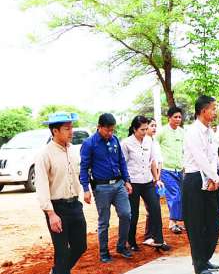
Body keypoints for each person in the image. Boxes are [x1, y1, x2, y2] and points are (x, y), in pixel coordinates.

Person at [34, 112, 87, 274]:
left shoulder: (73, 151)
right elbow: (41, 187)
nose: (71, 132)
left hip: (74, 204)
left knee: (80, 245)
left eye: (71, 127)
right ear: (55, 131)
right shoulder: (45, 155)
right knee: (62, 252)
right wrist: (51, 213)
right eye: (67, 129)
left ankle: (58, 270)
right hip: (57, 208)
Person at [79, 113, 133, 263]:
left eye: (112, 130)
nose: (110, 133)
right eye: (107, 130)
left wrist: (127, 181)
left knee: (126, 214)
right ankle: (104, 252)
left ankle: (121, 246)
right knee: (104, 221)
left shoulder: (115, 140)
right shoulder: (89, 144)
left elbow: (122, 161)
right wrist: (86, 189)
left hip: (118, 184)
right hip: (101, 187)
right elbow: (84, 168)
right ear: (99, 127)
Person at [182, 95, 219, 274]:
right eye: (213, 108)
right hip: (194, 179)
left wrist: (216, 176)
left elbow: (213, 157)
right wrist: (214, 176)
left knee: (214, 222)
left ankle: (204, 258)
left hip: (210, 179)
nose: (215, 112)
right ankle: (199, 266)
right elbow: (199, 157)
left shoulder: (209, 132)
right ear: (203, 110)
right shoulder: (193, 132)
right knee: (196, 224)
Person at [122, 115, 170, 252]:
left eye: (145, 129)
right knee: (134, 213)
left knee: (155, 209)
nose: (144, 132)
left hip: (148, 181)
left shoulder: (149, 141)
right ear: (134, 129)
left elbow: (152, 161)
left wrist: (156, 179)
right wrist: (126, 182)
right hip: (133, 182)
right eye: (142, 130)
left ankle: (159, 240)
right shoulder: (126, 143)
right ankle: (131, 241)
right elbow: (122, 164)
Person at [156, 106, 186, 234]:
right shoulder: (162, 132)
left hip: (179, 169)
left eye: (179, 117)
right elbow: (154, 147)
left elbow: (185, 150)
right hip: (166, 169)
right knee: (175, 195)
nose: (178, 119)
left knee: (181, 196)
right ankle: (172, 223)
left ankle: (176, 222)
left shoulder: (182, 132)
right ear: (169, 118)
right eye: (175, 117)